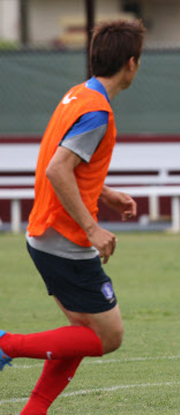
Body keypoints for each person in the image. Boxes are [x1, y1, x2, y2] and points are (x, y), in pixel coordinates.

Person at [0, 20, 146, 413]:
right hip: (63, 236)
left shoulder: (78, 95)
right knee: (108, 337)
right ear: (131, 64)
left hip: (46, 231)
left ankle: (33, 410)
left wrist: (107, 194)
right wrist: (93, 227)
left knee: (82, 333)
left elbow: (68, 167)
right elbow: (57, 170)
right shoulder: (97, 112)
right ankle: (4, 344)